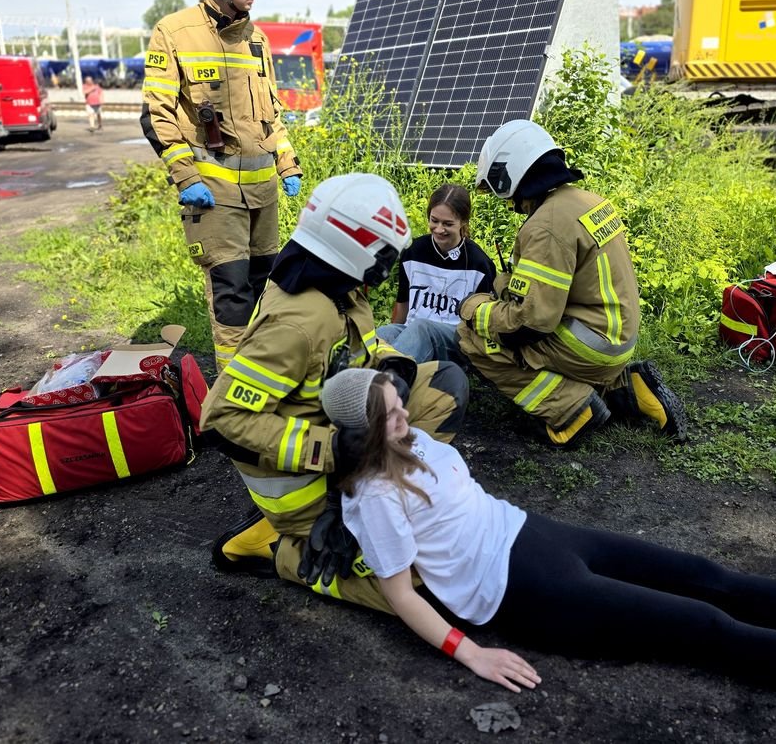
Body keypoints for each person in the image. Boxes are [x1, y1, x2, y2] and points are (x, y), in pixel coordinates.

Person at [321, 368, 776, 709]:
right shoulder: (371, 497)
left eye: (398, 399)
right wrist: (472, 654)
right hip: (516, 590)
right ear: (363, 436)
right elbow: (402, 594)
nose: (405, 412)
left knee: (705, 573)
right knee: (702, 625)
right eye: (390, 414)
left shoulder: (414, 439)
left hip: (530, 534)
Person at [199, 173, 469, 613]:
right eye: (384, 253)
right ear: (360, 248)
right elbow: (221, 422)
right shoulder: (297, 323)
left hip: (342, 440)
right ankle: (282, 550)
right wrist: (333, 449)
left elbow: (360, 345)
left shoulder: (337, 282)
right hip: (306, 481)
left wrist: (396, 369)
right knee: (431, 580)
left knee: (442, 385)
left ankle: (375, 502)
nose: (386, 267)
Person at [457, 119, 687, 447]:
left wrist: (475, 310)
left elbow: (531, 324)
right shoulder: (588, 201)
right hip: (616, 338)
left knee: (472, 339)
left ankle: (571, 410)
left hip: (589, 347)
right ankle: (627, 388)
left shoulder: (545, 225)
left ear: (512, 173)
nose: (510, 204)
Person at [141, 0, 304, 372]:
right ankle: (233, 394)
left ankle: (264, 376)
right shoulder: (173, 32)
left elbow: (270, 110)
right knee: (232, 296)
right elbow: (157, 114)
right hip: (213, 194)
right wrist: (186, 177)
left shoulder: (256, 39)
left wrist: (286, 163)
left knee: (266, 289)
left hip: (263, 193)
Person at [377, 184, 497, 364]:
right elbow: (403, 303)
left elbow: (483, 326)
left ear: (463, 222)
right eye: (434, 221)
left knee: (422, 327)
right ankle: (357, 378)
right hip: (413, 331)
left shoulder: (479, 264)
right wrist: (395, 328)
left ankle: (389, 380)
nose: (439, 229)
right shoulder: (413, 251)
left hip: (456, 340)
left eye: (448, 224)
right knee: (382, 334)